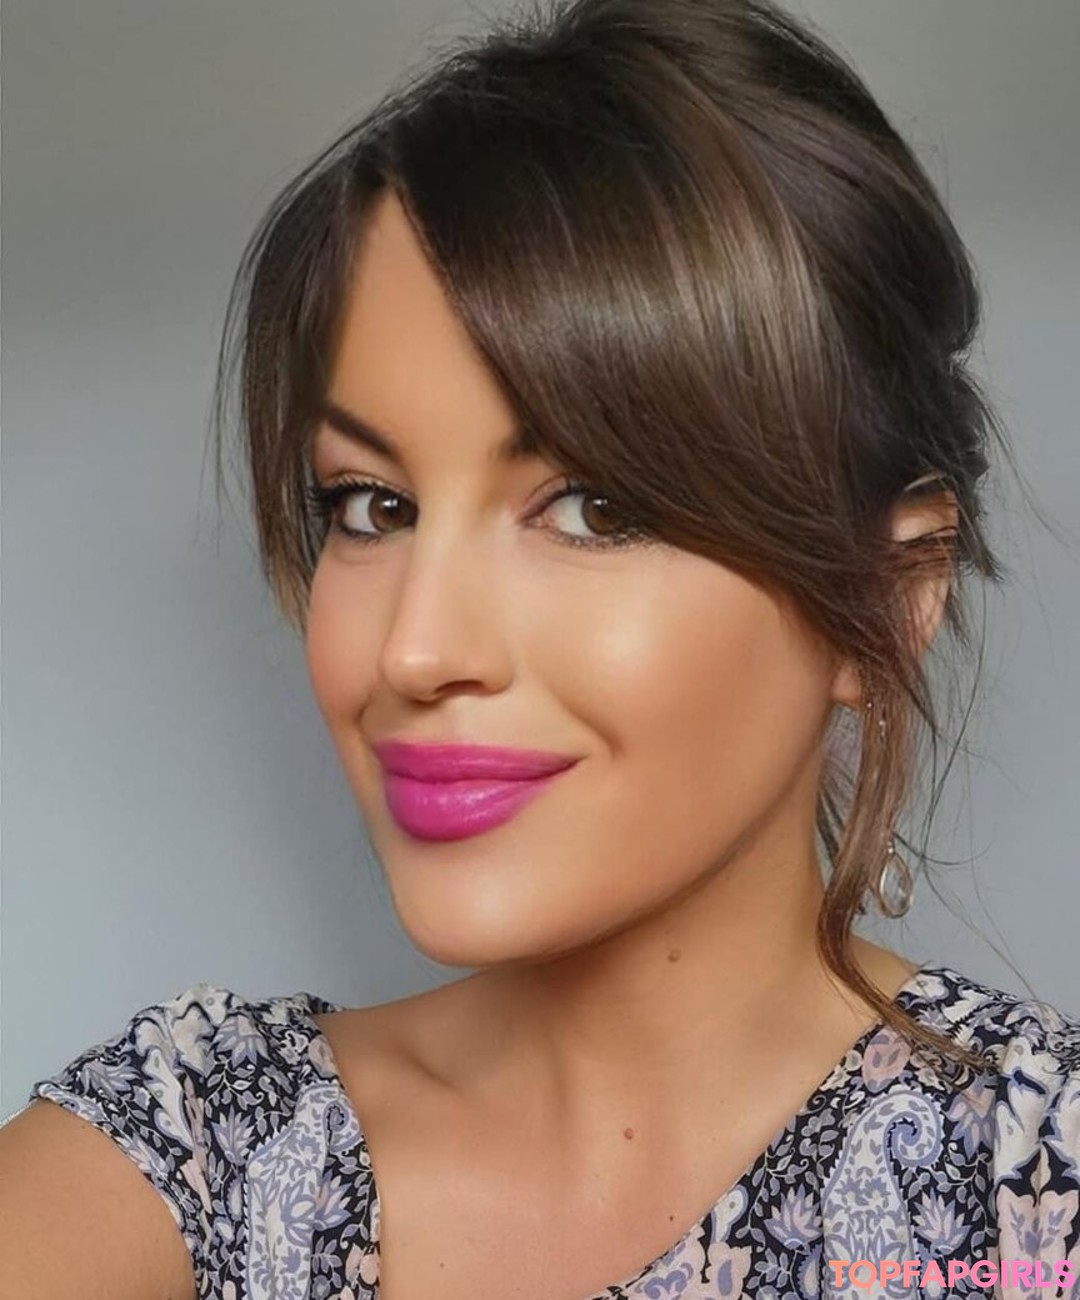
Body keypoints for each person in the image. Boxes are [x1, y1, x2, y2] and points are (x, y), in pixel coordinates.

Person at [2, 0, 1077, 1297]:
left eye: (595, 510)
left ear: (892, 592)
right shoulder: (198, 1156)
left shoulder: (1036, 1195)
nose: (414, 651)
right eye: (372, 507)